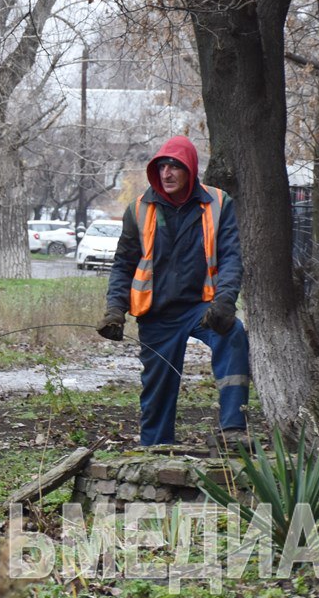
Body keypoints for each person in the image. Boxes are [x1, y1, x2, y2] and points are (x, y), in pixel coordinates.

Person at [97, 135, 250, 447]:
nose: (166, 173)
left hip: (202, 308)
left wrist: (224, 302)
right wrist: (115, 309)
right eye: (162, 166)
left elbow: (232, 257)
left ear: (190, 170)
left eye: (174, 167)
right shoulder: (139, 210)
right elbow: (124, 264)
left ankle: (232, 430)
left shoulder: (219, 204)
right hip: (157, 314)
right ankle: (155, 452)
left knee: (232, 334)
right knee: (158, 391)